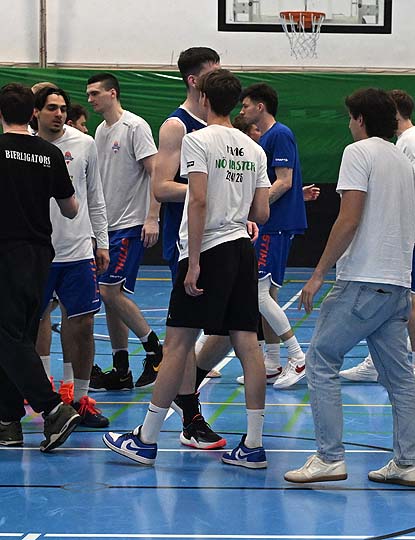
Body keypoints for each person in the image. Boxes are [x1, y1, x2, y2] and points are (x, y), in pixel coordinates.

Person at [103, 68, 272, 468]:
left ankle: (146, 439)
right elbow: (262, 212)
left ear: (204, 99)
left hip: (208, 249)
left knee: (177, 344)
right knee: (248, 344)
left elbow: (196, 200)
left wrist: (194, 262)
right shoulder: (255, 149)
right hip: (241, 249)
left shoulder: (198, 140)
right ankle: (253, 445)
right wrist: (238, 210)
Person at [284, 88, 415, 488]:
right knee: (400, 379)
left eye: (350, 117)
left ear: (360, 118)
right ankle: (407, 462)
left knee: (321, 358)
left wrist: (318, 273)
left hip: (363, 280)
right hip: (397, 285)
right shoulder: (401, 159)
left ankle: (329, 457)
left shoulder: (358, 153)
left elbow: (349, 218)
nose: (348, 124)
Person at [150, 47, 230, 450]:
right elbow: (161, 187)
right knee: (184, 334)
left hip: (227, 238)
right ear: (194, 81)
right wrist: (205, 192)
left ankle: (186, 393)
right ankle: (188, 417)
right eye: (214, 73)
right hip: (187, 243)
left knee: (237, 331)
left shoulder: (225, 127)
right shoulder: (176, 126)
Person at [0, 82, 82, 451]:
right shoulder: (50, 153)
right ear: (33, 113)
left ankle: (53, 409)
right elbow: (71, 209)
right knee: (16, 337)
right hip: (39, 256)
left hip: (5, 252)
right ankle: (7, 422)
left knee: (7, 337)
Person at [338, 89, 415, 388]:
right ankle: (375, 361)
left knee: (411, 296)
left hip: (409, 232)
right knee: (393, 299)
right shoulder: (403, 142)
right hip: (405, 229)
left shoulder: (411, 142)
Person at [33, 86, 110, 428]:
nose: (59, 114)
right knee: (34, 322)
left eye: (63, 108)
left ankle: (80, 398)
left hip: (77, 252)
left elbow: (95, 196)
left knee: (83, 325)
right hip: (36, 252)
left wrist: (102, 242)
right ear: (35, 112)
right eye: (51, 108)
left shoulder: (85, 144)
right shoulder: (24, 147)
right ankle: (43, 395)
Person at [85, 73, 164, 390]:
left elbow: (156, 172)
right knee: (110, 297)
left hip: (130, 225)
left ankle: (155, 349)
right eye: (88, 94)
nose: (90, 99)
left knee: (109, 292)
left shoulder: (135, 126)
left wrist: (152, 217)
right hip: (107, 227)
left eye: (95, 93)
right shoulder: (100, 131)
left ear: (112, 93)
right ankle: (121, 369)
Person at [237, 83, 307, 389]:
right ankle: (272, 362)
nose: (242, 111)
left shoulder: (279, 134)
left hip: (274, 224)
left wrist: (251, 210)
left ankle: (298, 356)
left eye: (245, 106)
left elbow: (284, 181)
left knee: (259, 294)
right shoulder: (263, 138)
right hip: (267, 224)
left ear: (260, 106)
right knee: (267, 296)